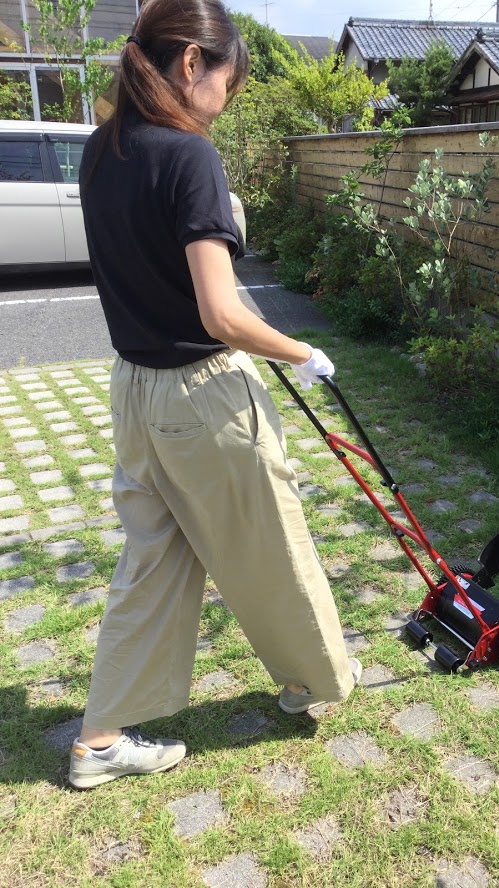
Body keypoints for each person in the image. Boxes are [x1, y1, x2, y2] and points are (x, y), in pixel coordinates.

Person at [68, 0, 361, 791]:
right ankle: (316, 681)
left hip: (133, 392)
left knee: (151, 564)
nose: (225, 104)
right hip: (203, 398)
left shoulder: (102, 151)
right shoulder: (189, 158)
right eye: (228, 85)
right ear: (193, 65)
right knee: (269, 545)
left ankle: (98, 740)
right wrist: (305, 352)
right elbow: (222, 314)